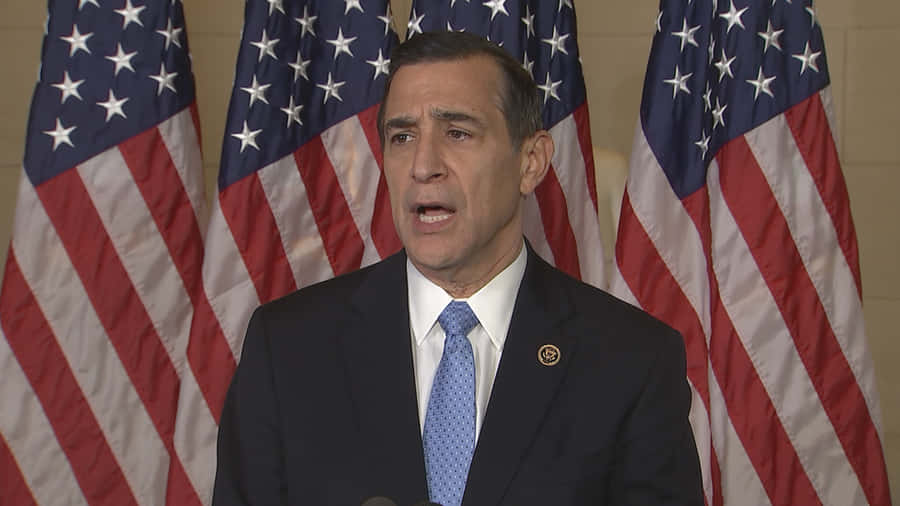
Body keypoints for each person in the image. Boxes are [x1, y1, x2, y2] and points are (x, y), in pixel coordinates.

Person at [213, 31, 704, 506]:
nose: (423, 165)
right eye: (402, 135)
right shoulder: (289, 348)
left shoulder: (631, 360)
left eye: (457, 132)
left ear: (531, 162)